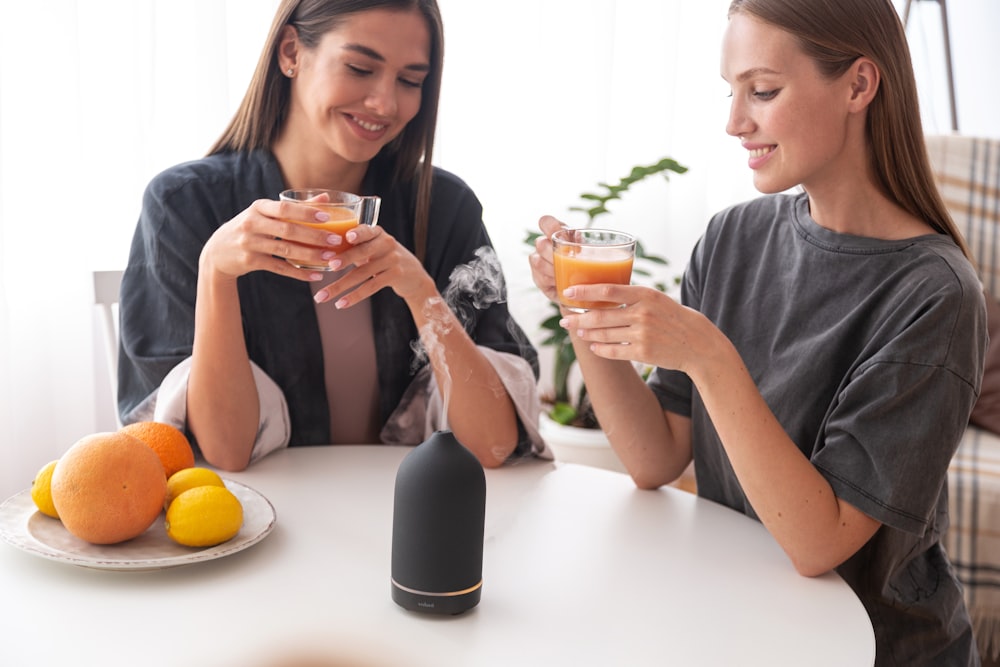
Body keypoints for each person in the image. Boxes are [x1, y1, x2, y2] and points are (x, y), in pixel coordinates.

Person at [529, 0, 985, 664]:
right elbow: (657, 456)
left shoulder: (934, 295)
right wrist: (581, 308)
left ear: (859, 85)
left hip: (873, 648)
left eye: (762, 91)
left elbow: (818, 541)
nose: (735, 122)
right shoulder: (732, 237)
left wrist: (708, 354)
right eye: (731, 91)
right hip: (741, 624)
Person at [119, 0, 545, 472]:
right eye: (360, 68)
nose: (385, 103)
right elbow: (226, 453)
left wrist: (421, 293)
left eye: (410, 81)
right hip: (265, 521)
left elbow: (493, 446)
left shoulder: (443, 207)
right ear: (290, 52)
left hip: (405, 516)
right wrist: (215, 273)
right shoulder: (185, 204)